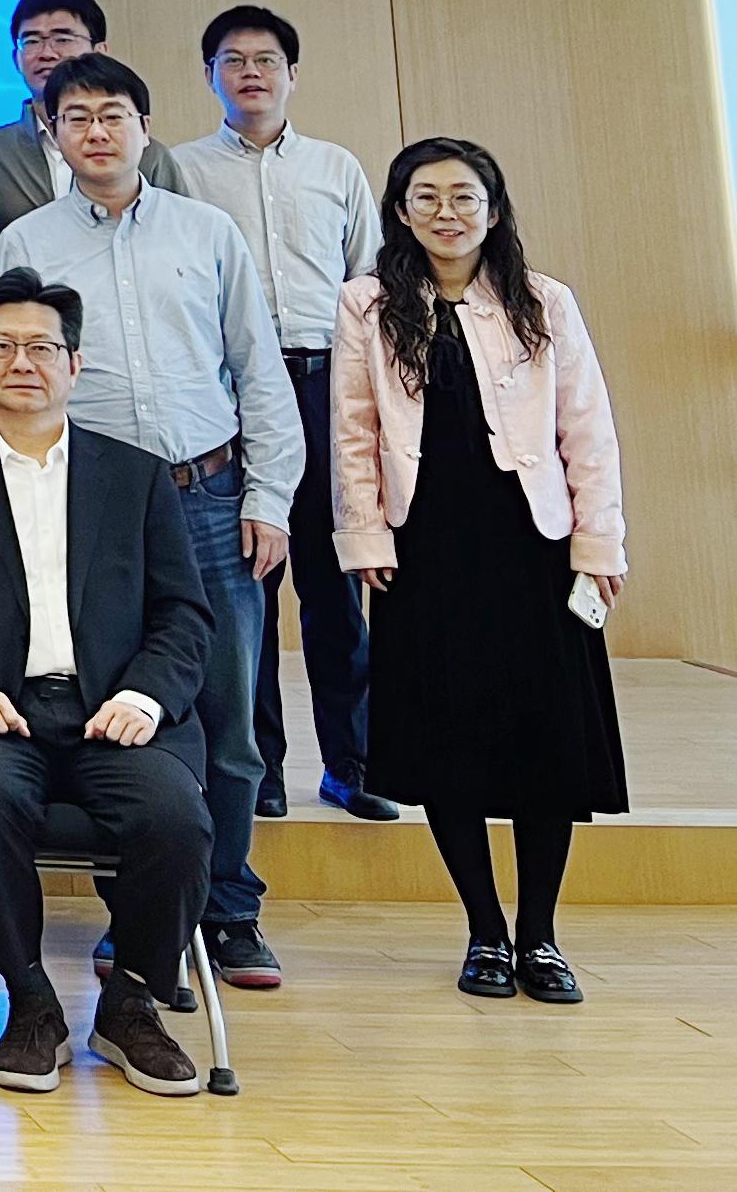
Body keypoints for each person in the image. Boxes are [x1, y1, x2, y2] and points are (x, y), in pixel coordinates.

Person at [0, 52, 299, 992]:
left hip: (205, 495)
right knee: (111, 707)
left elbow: (257, 368)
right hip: (89, 510)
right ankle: (137, 917)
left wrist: (268, 496)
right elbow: (13, 380)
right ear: (51, 133)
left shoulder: (206, 231)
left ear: (143, 126)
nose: (96, 131)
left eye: (113, 114)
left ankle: (229, 909)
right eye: (75, 117)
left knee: (228, 714)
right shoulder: (25, 242)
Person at [0, 269, 218, 1098]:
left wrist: (142, 696)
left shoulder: (137, 475)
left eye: (41, 346)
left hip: (114, 709)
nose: (21, 362)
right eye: (1, 345)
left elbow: (183, 613)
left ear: (74, 362)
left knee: (175, 817)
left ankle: (130, 999)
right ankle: (29, 998)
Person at [331, 139, 627, 1002]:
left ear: (493, 210)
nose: (446, 212)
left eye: (464, 195)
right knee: (445, 742)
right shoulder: (367, 302)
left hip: (534, 544)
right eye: (425, 196)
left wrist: (598, 544)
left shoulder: (543, 299)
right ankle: (484, 932)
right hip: (424, 547)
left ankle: (539, 936)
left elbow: (587, 427)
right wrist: (364, 537)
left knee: (547, 744)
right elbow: (352, 427)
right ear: (399, 211)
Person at [165, 7, 388, 823]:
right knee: (247, 586)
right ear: (209, 76)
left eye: (265, 59)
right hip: (230, 392)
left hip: (326, 382)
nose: (250, 72)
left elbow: (367, 281)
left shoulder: (336, 166)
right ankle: (256, 766)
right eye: (232, 60)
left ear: (292, 73)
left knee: (334, 587)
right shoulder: (179, 169)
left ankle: (350, 763)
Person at [0, 0, 183, 229]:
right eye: (31, 41)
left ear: (100, 52)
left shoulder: (148, 154)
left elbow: (182, 231)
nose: (46, 53)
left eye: (62, 39)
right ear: (16, 59)